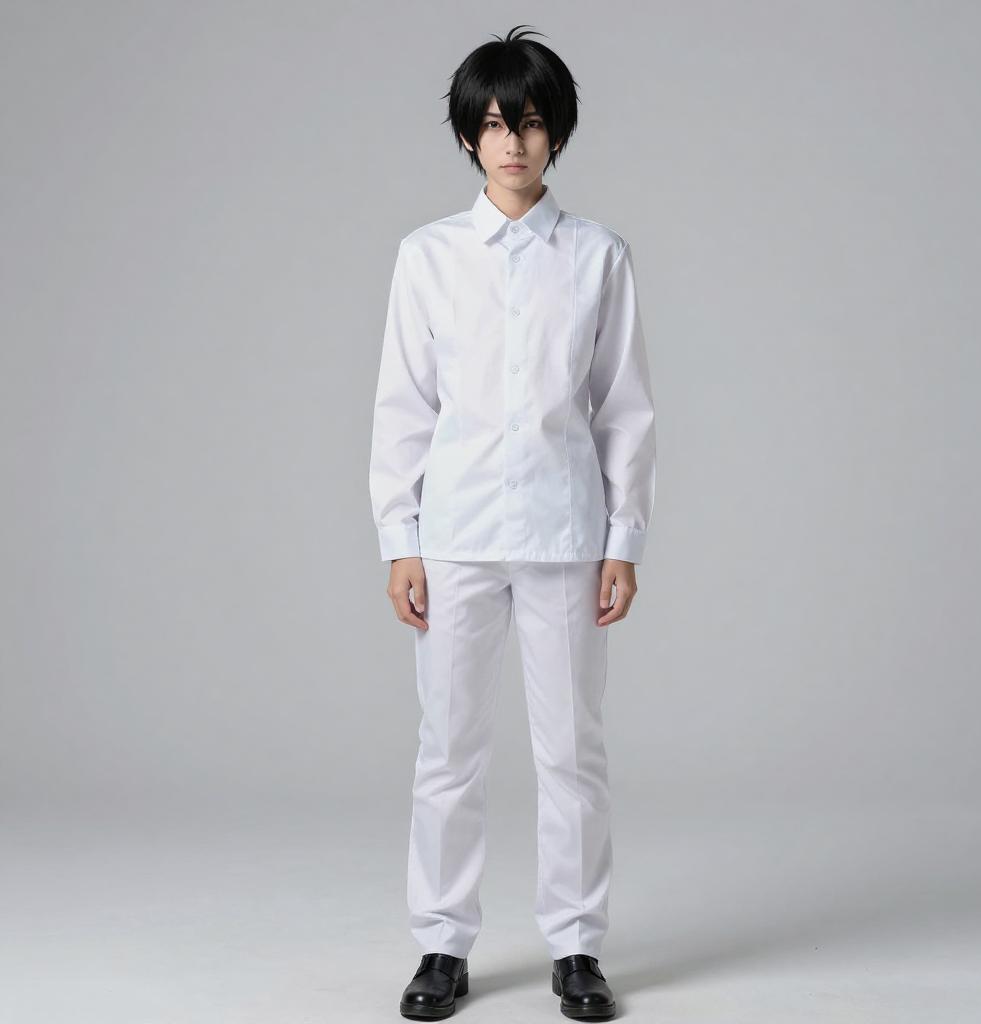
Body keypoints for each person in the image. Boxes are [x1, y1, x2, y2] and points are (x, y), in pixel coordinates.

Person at [368, 24, 656, 1021]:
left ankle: (576, 946)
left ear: (555, 134)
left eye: (529, 123)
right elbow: (403, 406)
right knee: (448, 748)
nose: (512, 143)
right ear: (467, 138)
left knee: (571, 750)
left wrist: (623, 541)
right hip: (453, 536)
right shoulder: (428, 258)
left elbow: (625, 409)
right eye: (492, 125)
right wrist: (399, 539)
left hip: (565, 537)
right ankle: (441, 945)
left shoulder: (598, 257)